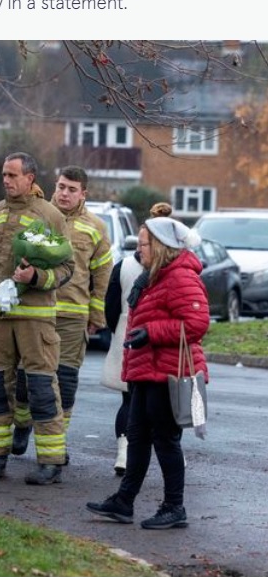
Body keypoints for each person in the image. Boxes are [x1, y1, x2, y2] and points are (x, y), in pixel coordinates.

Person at [86, 216, 209, 530]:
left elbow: (196, 324)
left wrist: (151, 332)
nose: (138, 250)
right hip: (146, 368)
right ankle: (124, 502)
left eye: (143, 244)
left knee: (165, 441)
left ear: (160, 246)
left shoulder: (180, 276)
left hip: (168, 371)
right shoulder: (152, 275)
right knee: (137, 436)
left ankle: (174, 507)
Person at [0, 152, 74, 484]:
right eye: (4, 176)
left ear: (30, 178)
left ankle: (50, 461)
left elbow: (67, 268)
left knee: (40, 390)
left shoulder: (49, 215)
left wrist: (35, 277)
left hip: (35, 321)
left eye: (12, 175)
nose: (6, 181)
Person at [28, 166, 112, 462]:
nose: (64, 193)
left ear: (83, 194)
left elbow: (102, 273)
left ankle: (55, 444)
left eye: (71, 189)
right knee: (29, 379)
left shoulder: (96, 227)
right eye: (61, 186)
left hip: (72, 315)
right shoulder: (38, 216)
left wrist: (96, 313)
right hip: (34, 311)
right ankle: (24, 424)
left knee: (65, 381)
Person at [102, 202, 173, 476]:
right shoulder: (171, 270)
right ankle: (168, 450)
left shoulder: (123, 267)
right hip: (153, 343)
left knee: (129, 402)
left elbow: (110, 307)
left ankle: (124, 453)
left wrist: (119, 329)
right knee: (162, 404)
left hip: (127, 336)